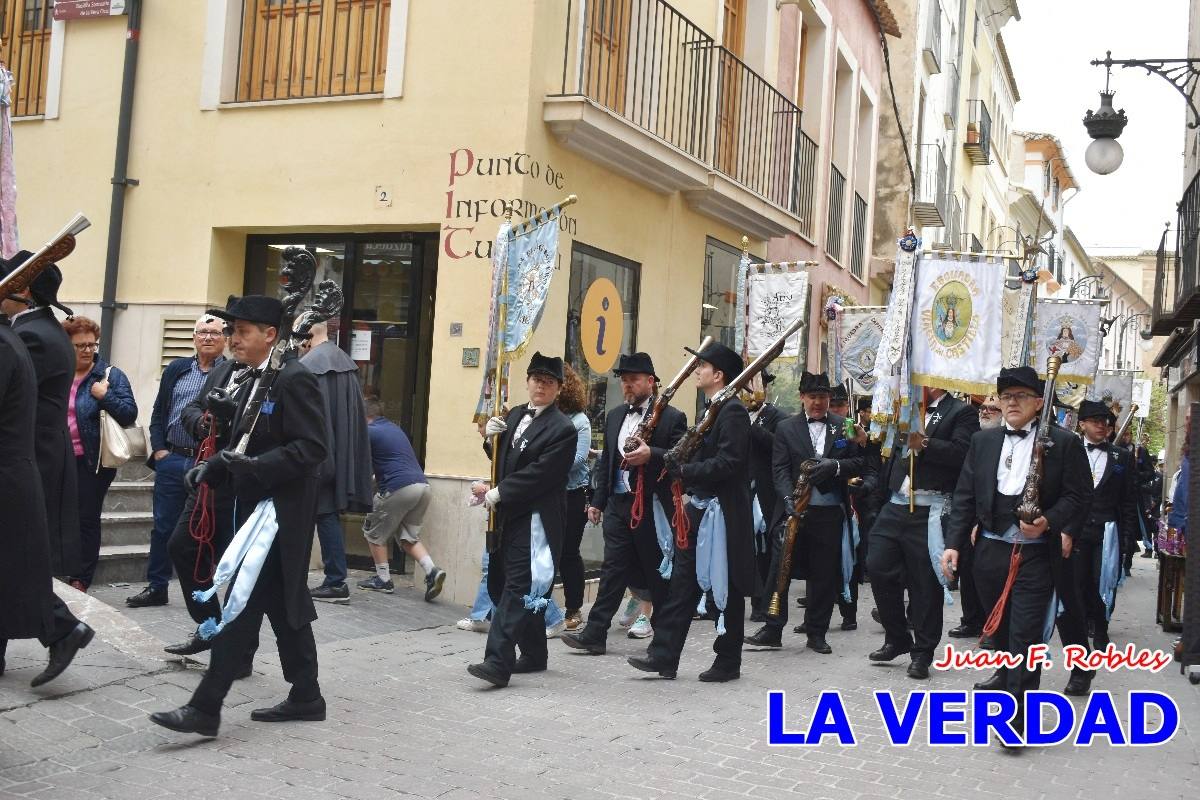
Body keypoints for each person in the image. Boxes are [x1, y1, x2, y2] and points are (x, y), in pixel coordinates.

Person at [150, 295, 328, 737]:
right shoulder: (245, 377)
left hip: (279, 511)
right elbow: (239, 442)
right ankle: (307, 694)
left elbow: (312, 449)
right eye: (232, 331)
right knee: (280, 602)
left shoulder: (293, 379)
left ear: (270, 335)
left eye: (242, 332)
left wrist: (255, 468)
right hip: (248, 505)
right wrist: (213, 468)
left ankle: (206, 708)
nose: (233, 340)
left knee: (242, 601)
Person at [941, 366, 1091, 746]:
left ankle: (1018, 723)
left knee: (1025, 637)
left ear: (1039, 403)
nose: (1011, 402)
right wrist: (954, 543)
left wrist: (1049, 522)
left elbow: (1078, 496)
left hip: (1035, 555)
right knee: (1003, 635)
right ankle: (1009, 691)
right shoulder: (983, 441)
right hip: (989, 551)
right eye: (1006, 396)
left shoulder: (1065, 443)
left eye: (1021, 396)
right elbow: (965, 497)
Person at [627, 341, 753, 682]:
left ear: (719, 374)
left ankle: (728, 661)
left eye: (703, 366)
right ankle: (664, 657)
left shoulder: (733, 412)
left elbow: (729, 463)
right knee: (682, 585)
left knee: (725, 588)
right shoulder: (711, 410)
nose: (697, 370)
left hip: (722, 514)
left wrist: (685, 473)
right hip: (698, 510)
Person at [0, 255, 94, 686]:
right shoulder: (33, 331)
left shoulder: (28, 336)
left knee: (22, 561)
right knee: (14, 560)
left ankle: (63, 627)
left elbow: (14, 403)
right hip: (28, 457)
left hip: (26, 458)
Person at [561, 352, 686, 656]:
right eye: (625, 380)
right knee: (612, 571)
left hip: (651, 507)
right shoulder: (616, 415)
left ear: (651, 382)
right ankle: (595, 633)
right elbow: (607, 463)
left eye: (634, 379)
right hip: (618, 505)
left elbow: (682, 458)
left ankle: (664, 642)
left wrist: (652, 454)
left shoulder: (672, 417)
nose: (628, 385)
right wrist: (597, 501)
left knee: (657, 574)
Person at [467, 353, 577, 687]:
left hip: (536, 519)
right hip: (508, 514)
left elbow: (540, 473)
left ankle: (497, 662)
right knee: (502, 583)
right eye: (535, 379)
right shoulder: (515, 414)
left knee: (517, 587)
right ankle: (534, 653)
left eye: (548, 381)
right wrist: (491, 439)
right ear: (527, 381)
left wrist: (500, 492)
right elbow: (505, 460)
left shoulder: (563, 428)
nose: (540, 386)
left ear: (558, 388)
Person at [743, 372, 872, 654]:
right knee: (780, 571)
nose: (818, 403)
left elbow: (859, 461)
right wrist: (787, 497)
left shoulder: (843, 426)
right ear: (802, 397)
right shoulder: (786, 428)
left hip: (828, 513)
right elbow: (778, 469)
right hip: (793, 512)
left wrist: (835, 467)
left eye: (823, 398)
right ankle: (772, 628)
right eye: (813, 397)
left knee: (823, 574)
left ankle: (817, 632)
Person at [866, 386, 977, 680]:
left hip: (931, 508)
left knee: (925, 584)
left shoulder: (960, 411)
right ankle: (897, 637)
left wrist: (926, 444)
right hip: (895, 504)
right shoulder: (905, 406)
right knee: (877, 567)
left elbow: (964, 453)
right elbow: (890, 454)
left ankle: (923, 652)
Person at [127, 315, 227, 608]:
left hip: (206, 463)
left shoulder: (233, 373)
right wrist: (159, 450)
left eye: (214, 333)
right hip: (172, 459)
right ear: (194, 337)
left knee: (204, 528)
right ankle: (157, 587)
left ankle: (203, 588)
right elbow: (159, 411)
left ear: (225, 339)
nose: (208, 337)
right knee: (163, 526)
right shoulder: (177, 369)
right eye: (202, 332)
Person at [1062, 400, 1138, 695]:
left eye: (1106, 421)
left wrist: (1128, 538)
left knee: (1100, 583)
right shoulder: (1069, 451)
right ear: (1081, 424)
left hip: (1106, 532)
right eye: (1095, 420)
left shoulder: (1121, 457)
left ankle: (1101, 625)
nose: (1102, 425)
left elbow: (1128, 501)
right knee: (1077, 586)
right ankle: (1083, 633)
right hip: (1074, 531)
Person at [62, 316, 138, 591]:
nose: (86, 350)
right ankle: (59, 567)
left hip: (93, 461)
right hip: (59, 457)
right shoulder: (59, 372)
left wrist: (103, 396)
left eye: (91, 344)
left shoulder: (109, 375)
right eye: (79, 345)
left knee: (86, 517)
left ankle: (81, 577)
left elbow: (130, 413)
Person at [303, 322, 375, 604]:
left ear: (307, 335)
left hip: (316, 458)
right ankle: (334, 579)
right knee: (326, 515)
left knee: (322, 516)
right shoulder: (345, 364)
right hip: (334, 456)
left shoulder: (310, 366)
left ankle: (334, 580)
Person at [357, 397, 447, 600]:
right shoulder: (393, 428)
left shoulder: (368, 432)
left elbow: (359, 462)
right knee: (407, 536)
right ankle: (432, 570)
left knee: (373, 531)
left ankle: (383, 579)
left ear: (364, 416)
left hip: (398, 487)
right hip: (422, 487)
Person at [949, 394, 1003, 641]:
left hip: (997, 517)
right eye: (983, 408)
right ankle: (971, 620)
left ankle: (994, 625)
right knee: (968, 571)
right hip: (971, 511)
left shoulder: (1006, 441)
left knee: (992, 574)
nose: (985, 412)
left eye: (993, 408)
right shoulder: (976, 439)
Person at [554, 364, 593, 632]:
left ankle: (574, 608)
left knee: (568, 553)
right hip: (547, 493)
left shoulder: (580, 421)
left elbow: (578, 459)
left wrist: (544, 463)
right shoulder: (545, 416)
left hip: (572, 494)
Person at [748, 372, 785, 622]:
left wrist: (752, 429)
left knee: (764, 552)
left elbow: (779, 447)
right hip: (739, 490)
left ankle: (762, 604)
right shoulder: (728, 414)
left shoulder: (777, 417)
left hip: (765, 492)